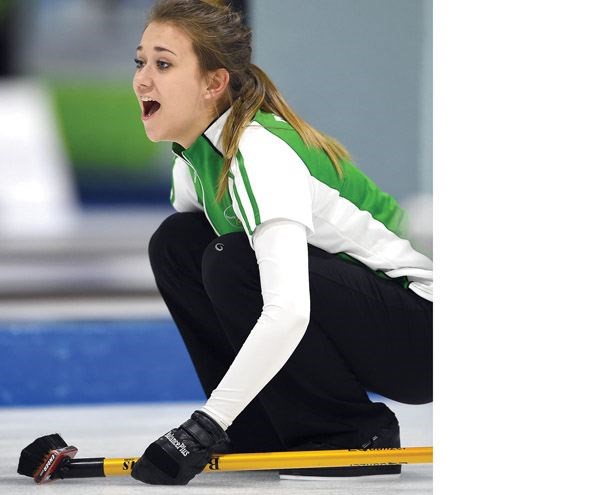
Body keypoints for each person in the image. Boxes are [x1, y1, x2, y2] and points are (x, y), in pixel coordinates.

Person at [128, 0, 432, 485]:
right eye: (140, 62)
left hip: (423, 337)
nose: (143, 79)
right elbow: (195, 269)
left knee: (234, 260)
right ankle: (262, 427)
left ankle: (349, 433)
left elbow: (288, 310)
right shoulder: (193, 159)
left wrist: (204, 427)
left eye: (163, 64)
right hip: (371, 321)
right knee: (177, 245)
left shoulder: (258, 152)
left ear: (214, 83)